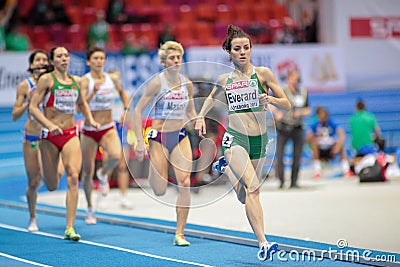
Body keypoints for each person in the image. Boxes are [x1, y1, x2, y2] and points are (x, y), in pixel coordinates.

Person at [194, 25, 290, 261]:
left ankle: (226, 169)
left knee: (243, 195)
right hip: (235, 140)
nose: (243, 52)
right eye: (237, 48)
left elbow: (287, 103)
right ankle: (264, 243)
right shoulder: (224, 79)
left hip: (260, 141)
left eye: (246, 47)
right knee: (254, 188)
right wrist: (199, 117)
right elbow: (210, 98)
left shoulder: (263, 74)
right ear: (230, 52)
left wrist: (271, 98)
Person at [29, 46, 100, 241]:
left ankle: (70, 227)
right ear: (53, 61)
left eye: (67, 55)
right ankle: (50, 166)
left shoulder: (76, 81)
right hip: (50, 136)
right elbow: (33, 108)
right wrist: (49, 124)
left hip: (69, 134)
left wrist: (90, 119)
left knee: (72, 177)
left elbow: (82, 103)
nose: (64, 58)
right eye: (60, 56)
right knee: (52, 185)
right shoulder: (47, 80)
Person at [133, 41, 197, 246]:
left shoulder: (187, 84)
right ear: (163, 62)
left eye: (179, 57)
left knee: (185, 183)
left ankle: (180, 233)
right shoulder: (156, 83)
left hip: (179, 135)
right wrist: (140, 141)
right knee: (160, 190)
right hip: (159, 137)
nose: (176, 61)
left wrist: (198, 119)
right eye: (172, 58)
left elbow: (190, 111)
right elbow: (136, 110)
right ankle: (154, 165)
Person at [11, 50, 64, 232]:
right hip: (32, 136)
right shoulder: (25, 86)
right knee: (33, 182)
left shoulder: (53, 81)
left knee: (54, 178)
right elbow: (15, 116)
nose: (41, 62)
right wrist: (30, 103)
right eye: (37, 60)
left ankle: (61, 161)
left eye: (44, 59)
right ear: (31, 65)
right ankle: (33, 217)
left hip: (49, 136)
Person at [80, 47, 130, 224]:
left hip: (107, 126)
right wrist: (93, 91)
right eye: (95, 58)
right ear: (88, 61)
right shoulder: (84, 81)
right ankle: (90, 209)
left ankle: (103, 174)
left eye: (101, 58)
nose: (99, 61)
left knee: (117, 156)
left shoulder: (112, 79)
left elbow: (124, 95)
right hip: (89, 130)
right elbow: (80, 106)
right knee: (87, 171)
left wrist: (125, 110)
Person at [271, 69, 310, 189]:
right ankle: (282, 182)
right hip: (284, 127)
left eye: (297, 79)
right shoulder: (282, 91)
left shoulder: (302, 92)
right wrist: (276, 112)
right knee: (280, 155)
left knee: (297, 155)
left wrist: (301, 112)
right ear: (288, 79)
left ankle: (294, 182)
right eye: (293, 78)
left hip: (297, 127)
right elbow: (268, 101)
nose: (295, 81)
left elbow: (308, 109)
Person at [307, 106, 352, 178]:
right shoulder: (315, 125)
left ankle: (346, 170)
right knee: (314, 144)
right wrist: (313, 138)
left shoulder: (331, 124)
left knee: (341, 147)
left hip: (331, 148)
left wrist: (338, 146)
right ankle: (317, 171)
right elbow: (308, 138)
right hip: (320, 148)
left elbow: (342, 134)